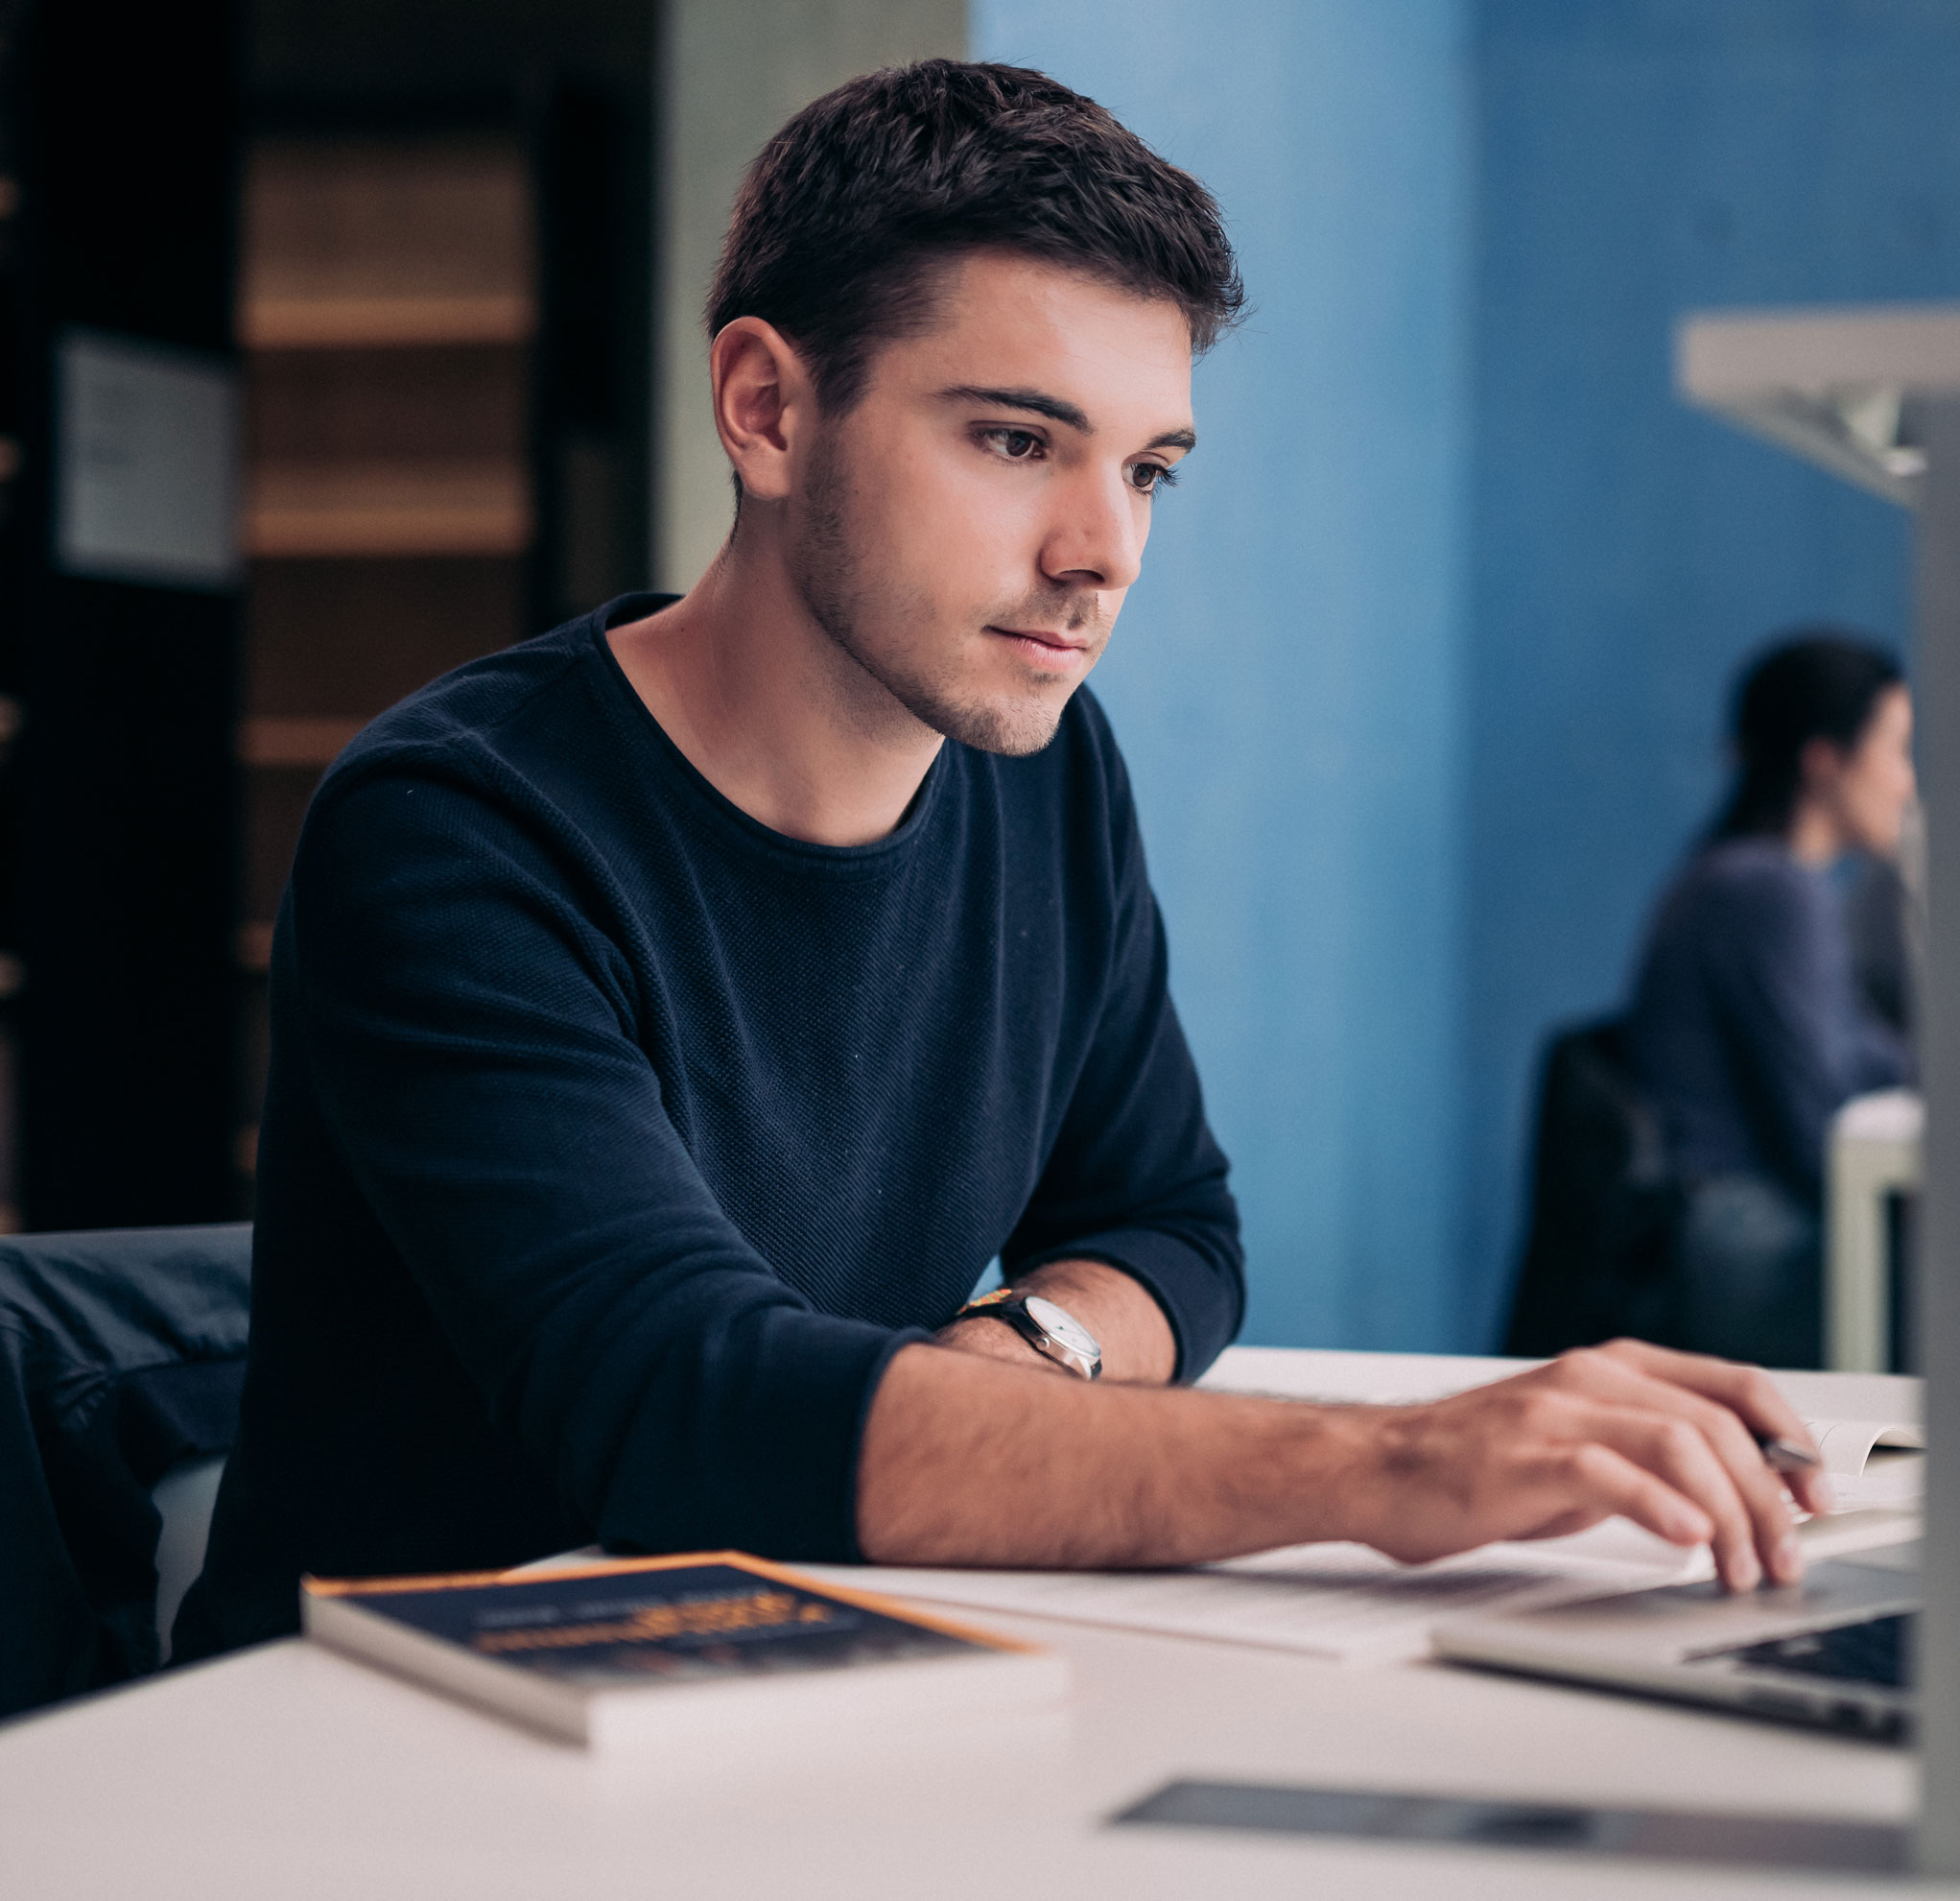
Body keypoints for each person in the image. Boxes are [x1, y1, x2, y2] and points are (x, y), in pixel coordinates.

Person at [177, 62, 1825, 1662]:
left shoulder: (1037, 769)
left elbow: (1172, 1222)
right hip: (399, 1746)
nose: (1100, 552)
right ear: (765, 408)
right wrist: (1390, 1471)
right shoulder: (458, 826)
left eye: (1147, 469)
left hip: (787, 1678)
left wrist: (1012, 1348)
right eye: (1017, 441)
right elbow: (677, 1410)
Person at [1624, 634, 1914, 1367]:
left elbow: (1869, 1056)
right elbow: (1819, 1126)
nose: (1906, 782)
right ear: (1824, 760)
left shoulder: (1759, 878)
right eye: (1895, 750)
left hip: (1736, 1224)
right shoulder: (1769, 890)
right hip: (1748, 1243)